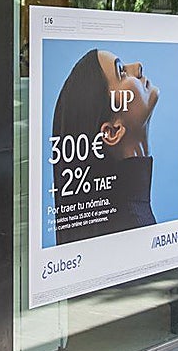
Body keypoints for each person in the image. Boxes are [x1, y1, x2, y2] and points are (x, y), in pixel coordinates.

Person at [50, 48, 160, 243]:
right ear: (112, 131)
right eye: (121, 72)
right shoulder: (133, 225)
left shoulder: (131, 218)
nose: (138, 67)